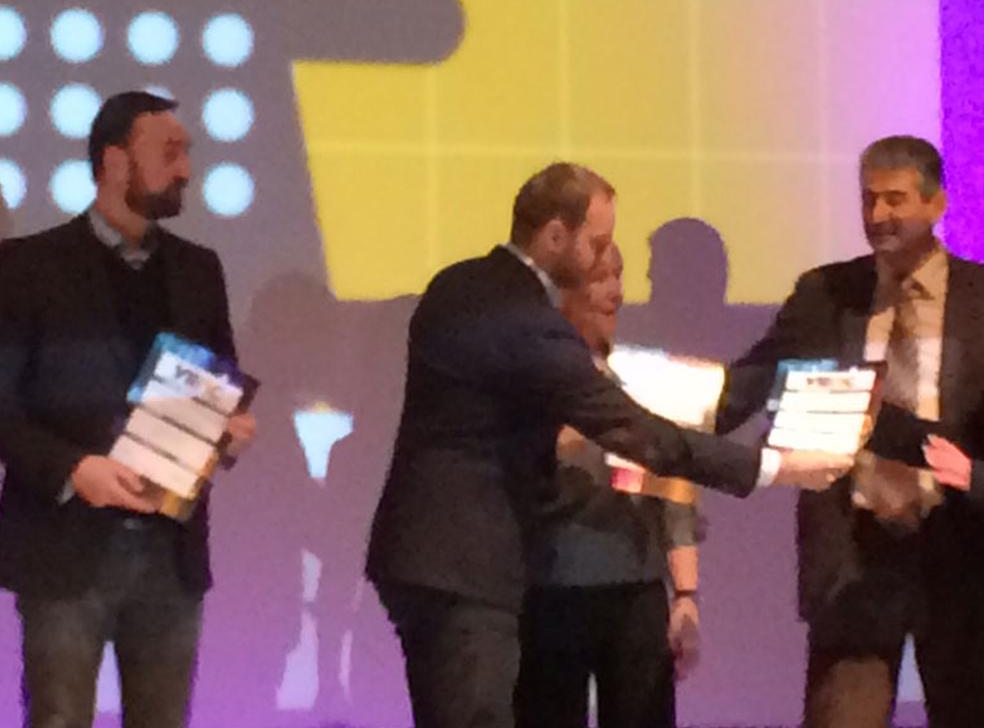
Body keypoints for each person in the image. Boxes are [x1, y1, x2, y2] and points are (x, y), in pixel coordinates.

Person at [365, 162, 849, 728]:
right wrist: (774, 468)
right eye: (597, 245)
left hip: (431, 556)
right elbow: (633, 430)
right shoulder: (528, 320)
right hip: (467, 566)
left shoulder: (460, 284)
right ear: (555, 236)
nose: (605, 266)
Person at [0, 91, 257, 728]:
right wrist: (74, 469)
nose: (186, 169)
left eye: (186, 152)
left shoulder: (199, 269)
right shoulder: (30, 265)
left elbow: (220, 382)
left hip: (171, 550)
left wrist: (230, 430)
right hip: (63, 545)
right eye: (170, 152)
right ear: (113, 162)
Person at [716, 135, 984, 727]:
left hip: (963, 556)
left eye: (895, 199)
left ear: (937, 203)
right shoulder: (824, 294)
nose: (878, 215)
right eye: (868, 199)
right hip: (854, 557)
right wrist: (654, 408)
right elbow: (746, 387)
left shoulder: (980, 297)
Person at [516, 243, 700, 728]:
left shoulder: (643, 378)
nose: (615, 291)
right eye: (600, 278)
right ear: (561, 292)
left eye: (619, 276)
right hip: (551, 591)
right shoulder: (531, 379)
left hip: (637, 594)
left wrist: (686, 595)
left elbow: (674, 496)